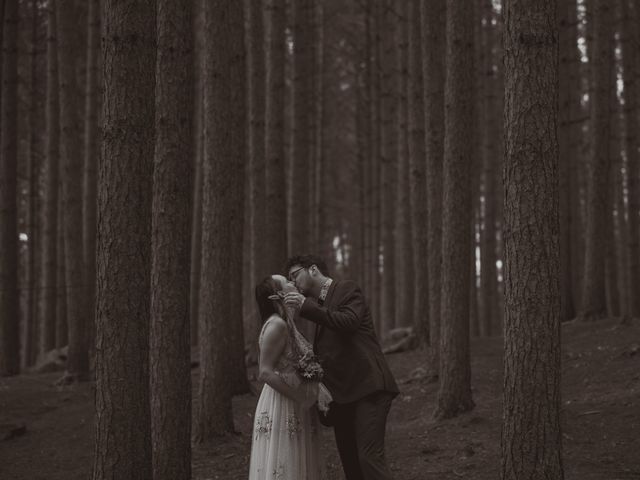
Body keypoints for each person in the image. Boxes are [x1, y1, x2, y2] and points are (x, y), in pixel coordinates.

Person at [284, 254, 400, 480]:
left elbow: (348, 322)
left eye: (295, 275)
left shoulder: (347, 289)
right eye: (289, 280)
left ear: (314, 270)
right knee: (351, 465)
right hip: (343, 398)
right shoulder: (320, 306)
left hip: (369, 389)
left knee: (369, 459)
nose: (293, 283)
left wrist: (304, 306)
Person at [248, 274, 326, 480]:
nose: (293, 284)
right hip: (282, 402)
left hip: (293, 400)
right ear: (278, 295)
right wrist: (299, 396)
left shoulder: (286, 323)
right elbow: (264, 371)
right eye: (287, 282)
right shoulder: (277, 325)